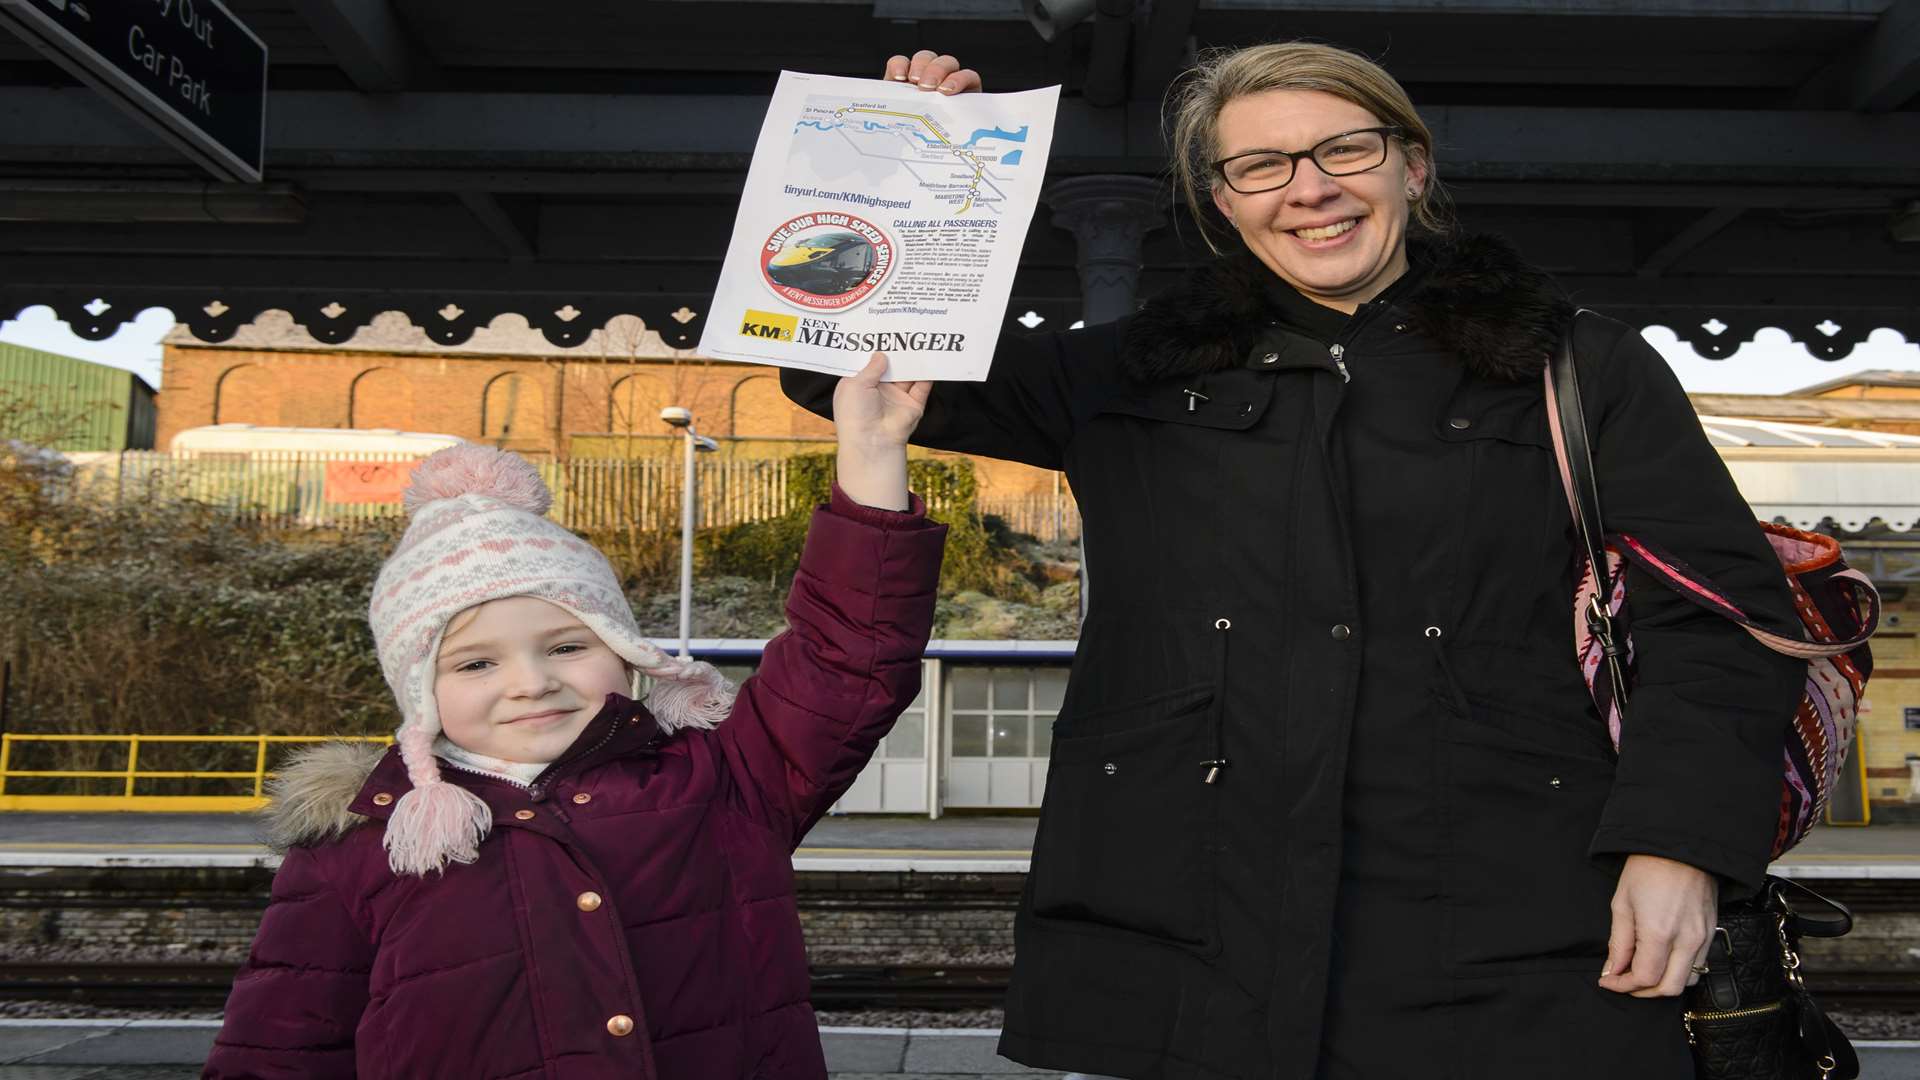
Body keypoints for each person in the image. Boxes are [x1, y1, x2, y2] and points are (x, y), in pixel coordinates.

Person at [783, 44, 1806, 1080]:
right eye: (1260, 167)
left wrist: (1679, 846)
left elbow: (1719, 625)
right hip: (1195, 924)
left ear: (1412, 167)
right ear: (1223, 203)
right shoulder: (1127, 375)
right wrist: (903, 166)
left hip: (1517, 923)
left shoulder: (1580, 369)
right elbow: (838, 366)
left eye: (1345, 150)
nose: (1309, 190)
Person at [203, 354, 944, 1080]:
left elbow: (845, 658)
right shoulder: (358, 847)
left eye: (566, 644)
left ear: (627, 654)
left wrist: (873, 455)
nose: (531, 683)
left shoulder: (726, 783)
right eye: (475, 663)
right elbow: (278, 1052)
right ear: (417, 692)